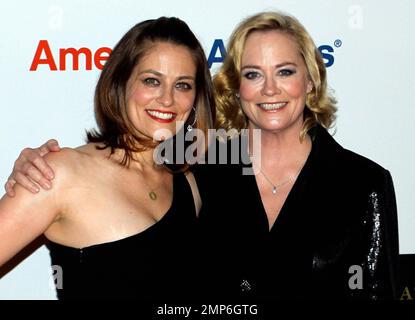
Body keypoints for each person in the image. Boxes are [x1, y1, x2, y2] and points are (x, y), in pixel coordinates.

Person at [5, 11, 399, 300]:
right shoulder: (208, 171)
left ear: (310, 79)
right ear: (237, 86)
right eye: (252, 74)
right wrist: (34, 170)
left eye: (285, 71)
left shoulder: (362, 183)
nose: (269, 89)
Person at [0, 16, 214, 300]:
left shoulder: (189, 184)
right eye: (152, 80)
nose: (167, 99)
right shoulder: (59, 173)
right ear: (121, 82)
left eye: (183, 85)